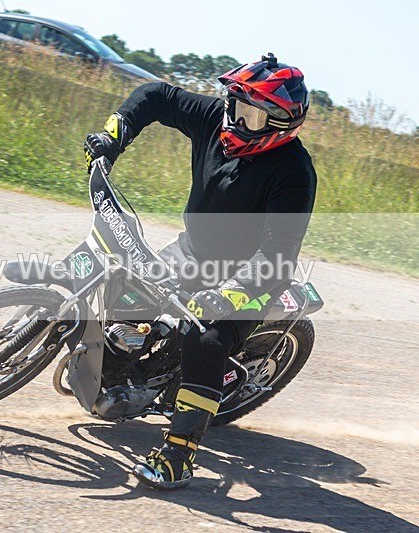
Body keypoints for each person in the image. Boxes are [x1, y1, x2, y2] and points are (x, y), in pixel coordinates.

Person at [84, 53, 317, 489]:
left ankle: (179, 454)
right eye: (234, 102)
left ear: (277, 126)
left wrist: (228, 295)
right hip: (191, 252)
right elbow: (157, 96)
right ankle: (120, 373)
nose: (233, 117)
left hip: (248, 280)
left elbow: (278, 255)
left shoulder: (294, 175)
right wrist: (114, 136)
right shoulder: (218, 117)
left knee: (204, 339)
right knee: (125, 283)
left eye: (248, 112)